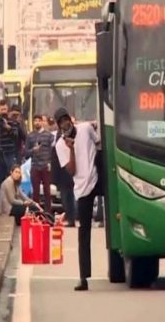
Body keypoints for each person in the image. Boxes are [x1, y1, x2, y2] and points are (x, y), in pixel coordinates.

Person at [54, 107, 100, 291]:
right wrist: (71, 149)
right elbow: (72, 171)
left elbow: (98, 143)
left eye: (67, 119)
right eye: (61, 122)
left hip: (98, 178)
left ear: (71, 120)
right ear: (59, 127)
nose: (65, 123)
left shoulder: (85, 128)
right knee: (84, 232)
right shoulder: (59, 146)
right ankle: (83, 277)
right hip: (82, 189)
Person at [25, 115, 54, 213]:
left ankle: (48, 213)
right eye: (35, 121)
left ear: (42, 122)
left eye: (39, 121)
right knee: (35, 192)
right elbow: (26, 153)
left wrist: (50, 163)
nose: (37, 122)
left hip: (46, 165)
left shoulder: (49, 135)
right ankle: (36, 213)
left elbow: (52, 151)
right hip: (35, 166)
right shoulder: (30, 136)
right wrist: (33, 150)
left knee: (47, 191)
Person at [0, 100, 25, 192]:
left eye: (5, 109)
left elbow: (18, 137)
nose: (3, 111)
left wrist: (9, 130)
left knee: (13, 178)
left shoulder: (13, 122)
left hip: (11, 153)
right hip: (0, 153)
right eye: (1, 109)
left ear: (7, 109)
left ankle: (14, 202)